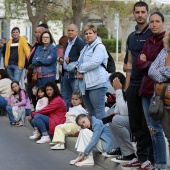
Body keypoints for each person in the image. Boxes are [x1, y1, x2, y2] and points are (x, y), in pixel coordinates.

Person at [123, 2, 154, 170]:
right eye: (137, 12)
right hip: (133, 85)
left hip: (147, 85)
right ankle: (141, 157)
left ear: (147, 13)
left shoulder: (152, 34)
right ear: (133, 13)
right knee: (135, 124)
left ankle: (151, 159)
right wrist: (126, 88)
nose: (140, 14)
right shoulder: (131, 36)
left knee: (146, 125)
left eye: (143, 12)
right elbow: (128, 62)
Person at [136, 12, 167, 169]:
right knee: (151, 129)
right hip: (145, 88)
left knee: (156, 129)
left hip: (158, 91)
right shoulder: (148, 41)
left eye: (157, 21)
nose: (154, 24)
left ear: (163, 23)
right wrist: (152, 65)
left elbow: (160, 68)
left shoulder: (166, 42)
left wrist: (147, 63)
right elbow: (138, 62)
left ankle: (161, 164)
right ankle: (155, 162)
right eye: (152, 22)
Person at [102, 72, 136, 163]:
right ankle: (118, 148)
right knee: (111, 114)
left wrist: (118, 90)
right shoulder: (122, 92)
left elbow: (125, 112)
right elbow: (118, 108)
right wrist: (115, 113)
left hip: (138, 122)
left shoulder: (128, 90)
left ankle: (129, 153)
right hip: (131, 119)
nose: (114, 88)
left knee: (117, 120)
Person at [75, 24, 108, 120]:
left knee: (99, 110)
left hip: (97, 83)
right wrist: (77, 68)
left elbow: (94, 63)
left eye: (90, 33)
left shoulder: (99, 47)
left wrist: (79, 68)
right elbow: (79, 62)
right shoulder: (86, 48)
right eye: (86, 33)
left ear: (95, 34)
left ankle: (104, 133)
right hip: (85, 84)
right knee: (90, 111)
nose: (88, 35)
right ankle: (94, 132)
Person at [148, 27, 170, 170]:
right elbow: (151, 70)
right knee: (169, 138)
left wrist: (160, 71)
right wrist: (165, 73)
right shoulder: (164, 51)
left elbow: (158, 70)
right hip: (163, 101)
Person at [60, 24, 85, 111]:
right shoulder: (67, 42)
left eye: (72, 30)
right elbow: (66, 55)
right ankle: (67, 116)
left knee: (75, 98)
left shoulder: (80, 43)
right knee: (65, 97)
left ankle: (76, 117)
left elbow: (83, 58)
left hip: (74, 75)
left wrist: (70, 60)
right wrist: (62, 59)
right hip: (66, 73)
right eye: (69, 30)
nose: (70, 32)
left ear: (77, 32)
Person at [26, 24, 47, 109]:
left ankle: (37, 108)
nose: (34, 34)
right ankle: (35, 107)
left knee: (36, 91)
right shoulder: (37, 44)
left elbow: (39, 59)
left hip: (37, 72)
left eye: (36, 32)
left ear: (41, 33)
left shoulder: (43, 45)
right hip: (31, 71)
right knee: (30, 90)